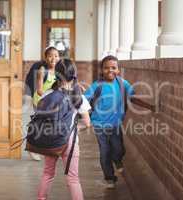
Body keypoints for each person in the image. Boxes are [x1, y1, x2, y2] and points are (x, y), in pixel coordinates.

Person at [84, 55, 154, 189]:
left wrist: (150, 106)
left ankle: (117, 160)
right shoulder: (97, 86)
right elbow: (84, 99)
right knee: (105, 151)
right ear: (102, 70)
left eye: (113, 68)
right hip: (99, 124)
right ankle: (109, 177)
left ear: (118, 70)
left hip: (115, 124)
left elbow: (132, 98)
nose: (110, 70)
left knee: (118, 148)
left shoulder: (123, 84)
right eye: (106, 68)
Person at [37, 59, 91, 200]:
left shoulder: (47, 94)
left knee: (47, 173)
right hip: (70, 141)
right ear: (74, 75)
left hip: (50, 139)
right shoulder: (79, 97)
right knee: (73, 179)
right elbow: (87, 123)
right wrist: (75, 128)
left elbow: (40, 115)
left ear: (56, 74)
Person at [24, 46, 60, 161]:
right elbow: (39, 90)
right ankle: (31, 148)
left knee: (52, 126)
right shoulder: (42, 71)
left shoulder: (60, 71)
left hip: (53, 102)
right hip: (41, 101)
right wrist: (51, 97)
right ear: (45, 58)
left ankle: (51, 149)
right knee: (40, 125)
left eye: (56, 56)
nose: (53, 58)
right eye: (50, 56)